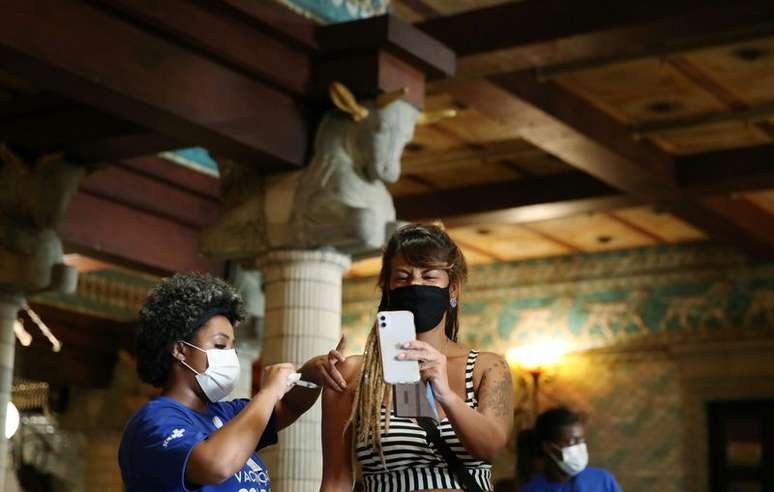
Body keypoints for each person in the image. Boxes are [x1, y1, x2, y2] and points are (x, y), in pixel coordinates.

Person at [320, 223, 515, 492]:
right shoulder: (354, 373)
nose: (415, 285)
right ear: (388, 288)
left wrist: (445, 393)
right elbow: (335, 480)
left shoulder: (487, 367)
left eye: (429, 276)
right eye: (402, 277)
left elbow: (490, 448)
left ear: (453, 288)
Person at [118, 272, 345, 491]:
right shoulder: (153, 421)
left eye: (232, 346)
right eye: (219, 345)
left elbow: (290, 405)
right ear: (180, 350)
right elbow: (216, 465)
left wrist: (313, 373)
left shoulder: (227, 415)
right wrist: (268, 392)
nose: (231, 355)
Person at [519, 407, 621, 492]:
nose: (580, 447)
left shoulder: (602, 480)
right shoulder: (532, 489)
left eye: (581, 440)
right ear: (549, 448)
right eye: (572, 442)